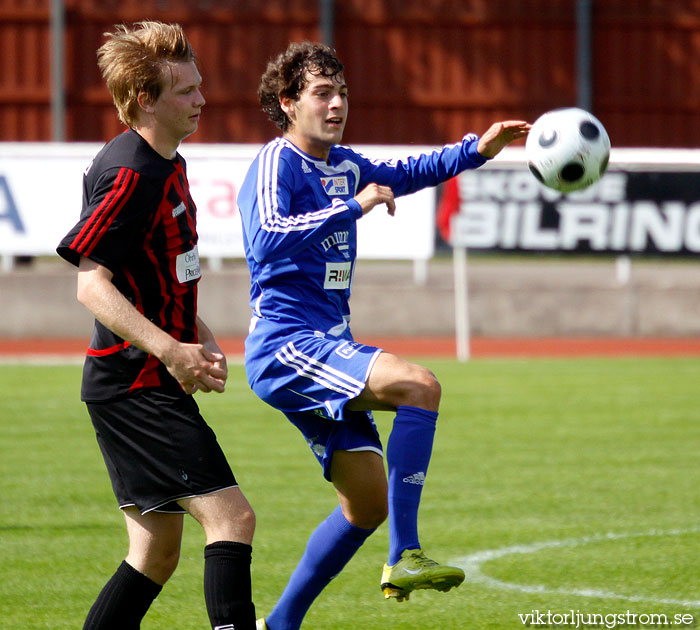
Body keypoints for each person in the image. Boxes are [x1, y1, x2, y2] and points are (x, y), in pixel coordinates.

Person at [237, 41, 529, 630]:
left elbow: (408, 172)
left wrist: (479, 149)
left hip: (325, 345)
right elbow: (265, 237)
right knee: (419, 386)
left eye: (341, 91)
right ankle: (405, 556)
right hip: (286, 346)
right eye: (322, 92)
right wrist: (353, 209)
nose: (337, 102)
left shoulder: (342, 165)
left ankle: (279, 624)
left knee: (366, 503)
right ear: (288, 103)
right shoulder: (276, 162)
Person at [56, 21, 256, 630]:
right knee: (232, 519)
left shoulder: (169, 162)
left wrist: (198, 335)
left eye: (199, 87)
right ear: (146, 99)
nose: (202, 100)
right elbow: (92, 284)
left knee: (154, 553)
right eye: (186, 91)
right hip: (133, 385)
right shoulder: (130, 175)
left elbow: (163, 273)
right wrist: (171, 350)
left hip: (144, 378)